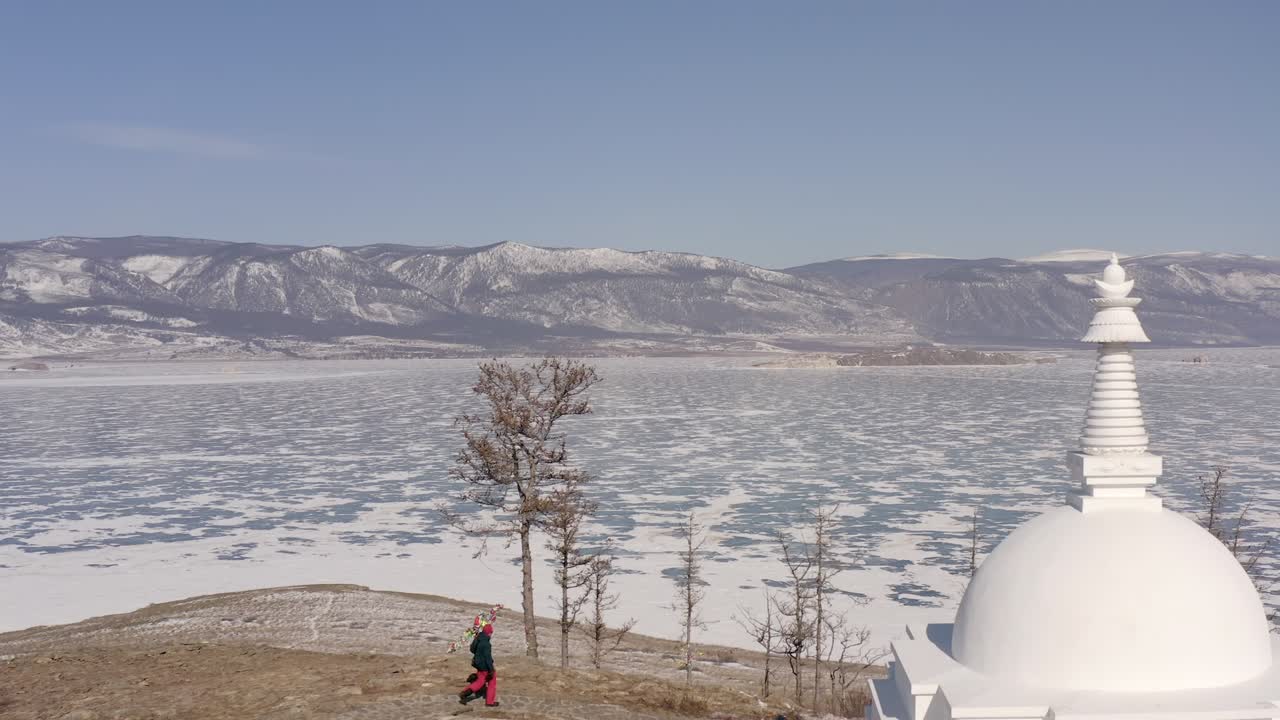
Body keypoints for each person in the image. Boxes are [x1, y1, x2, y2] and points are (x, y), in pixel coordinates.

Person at [459, 623, 499, 707]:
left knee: (480, 681)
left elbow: (472, 649)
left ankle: (465, 692)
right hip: (485, 666)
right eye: (491, 632)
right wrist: (491, 670)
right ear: (489, 632)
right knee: (492, 682)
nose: (491, 634)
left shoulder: (478, 638)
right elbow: (488, 658)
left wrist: (478, 654)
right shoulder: (486, 644)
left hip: (478, 664)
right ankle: (489, 702)